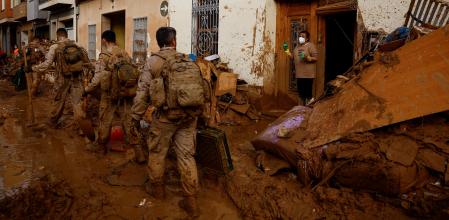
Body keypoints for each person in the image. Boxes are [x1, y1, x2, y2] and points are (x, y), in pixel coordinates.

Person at [130, 27, 202, 217]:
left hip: (165, 118)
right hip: (189, 117)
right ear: (174, 41)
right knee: (187, 156)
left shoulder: (152, 62)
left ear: (158, 42)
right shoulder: (188, 60)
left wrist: (135, 118)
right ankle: (191, 202)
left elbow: (142, 93)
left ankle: (158, 191)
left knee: (157, 152)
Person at [82, 30, 145, 162]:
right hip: (126, 93)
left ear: (104, 40)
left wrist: (87, 89)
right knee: (128, 122)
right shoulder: (124, 53)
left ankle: (101, 147)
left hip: (109, 95)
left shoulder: (103, 56)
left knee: (105, 120)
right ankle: (139, 152)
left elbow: (98, 77)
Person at [32, 28, 91, 128]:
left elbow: (47, 63)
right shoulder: (77, 45)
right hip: (77, 78)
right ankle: (81, 126)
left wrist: (34, 68)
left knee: (58, 101)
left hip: (62, 79)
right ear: (67, 35)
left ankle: (53, 122)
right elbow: (87, 61)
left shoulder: (54, 47)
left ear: (58, 36)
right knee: (77, 103)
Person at [287, 30, 318, 105]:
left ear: (307, 39)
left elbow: (315, 58)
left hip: (308, 74)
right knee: (301, 94)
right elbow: (292, 57)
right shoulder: (297, 47)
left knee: (308, 94)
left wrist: (307, 57)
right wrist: (286, 50)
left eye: (303, 36)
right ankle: (301, 109)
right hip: (299, 74)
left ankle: (308, 109)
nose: (300, 38)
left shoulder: (310, 45)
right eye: (300, 36)